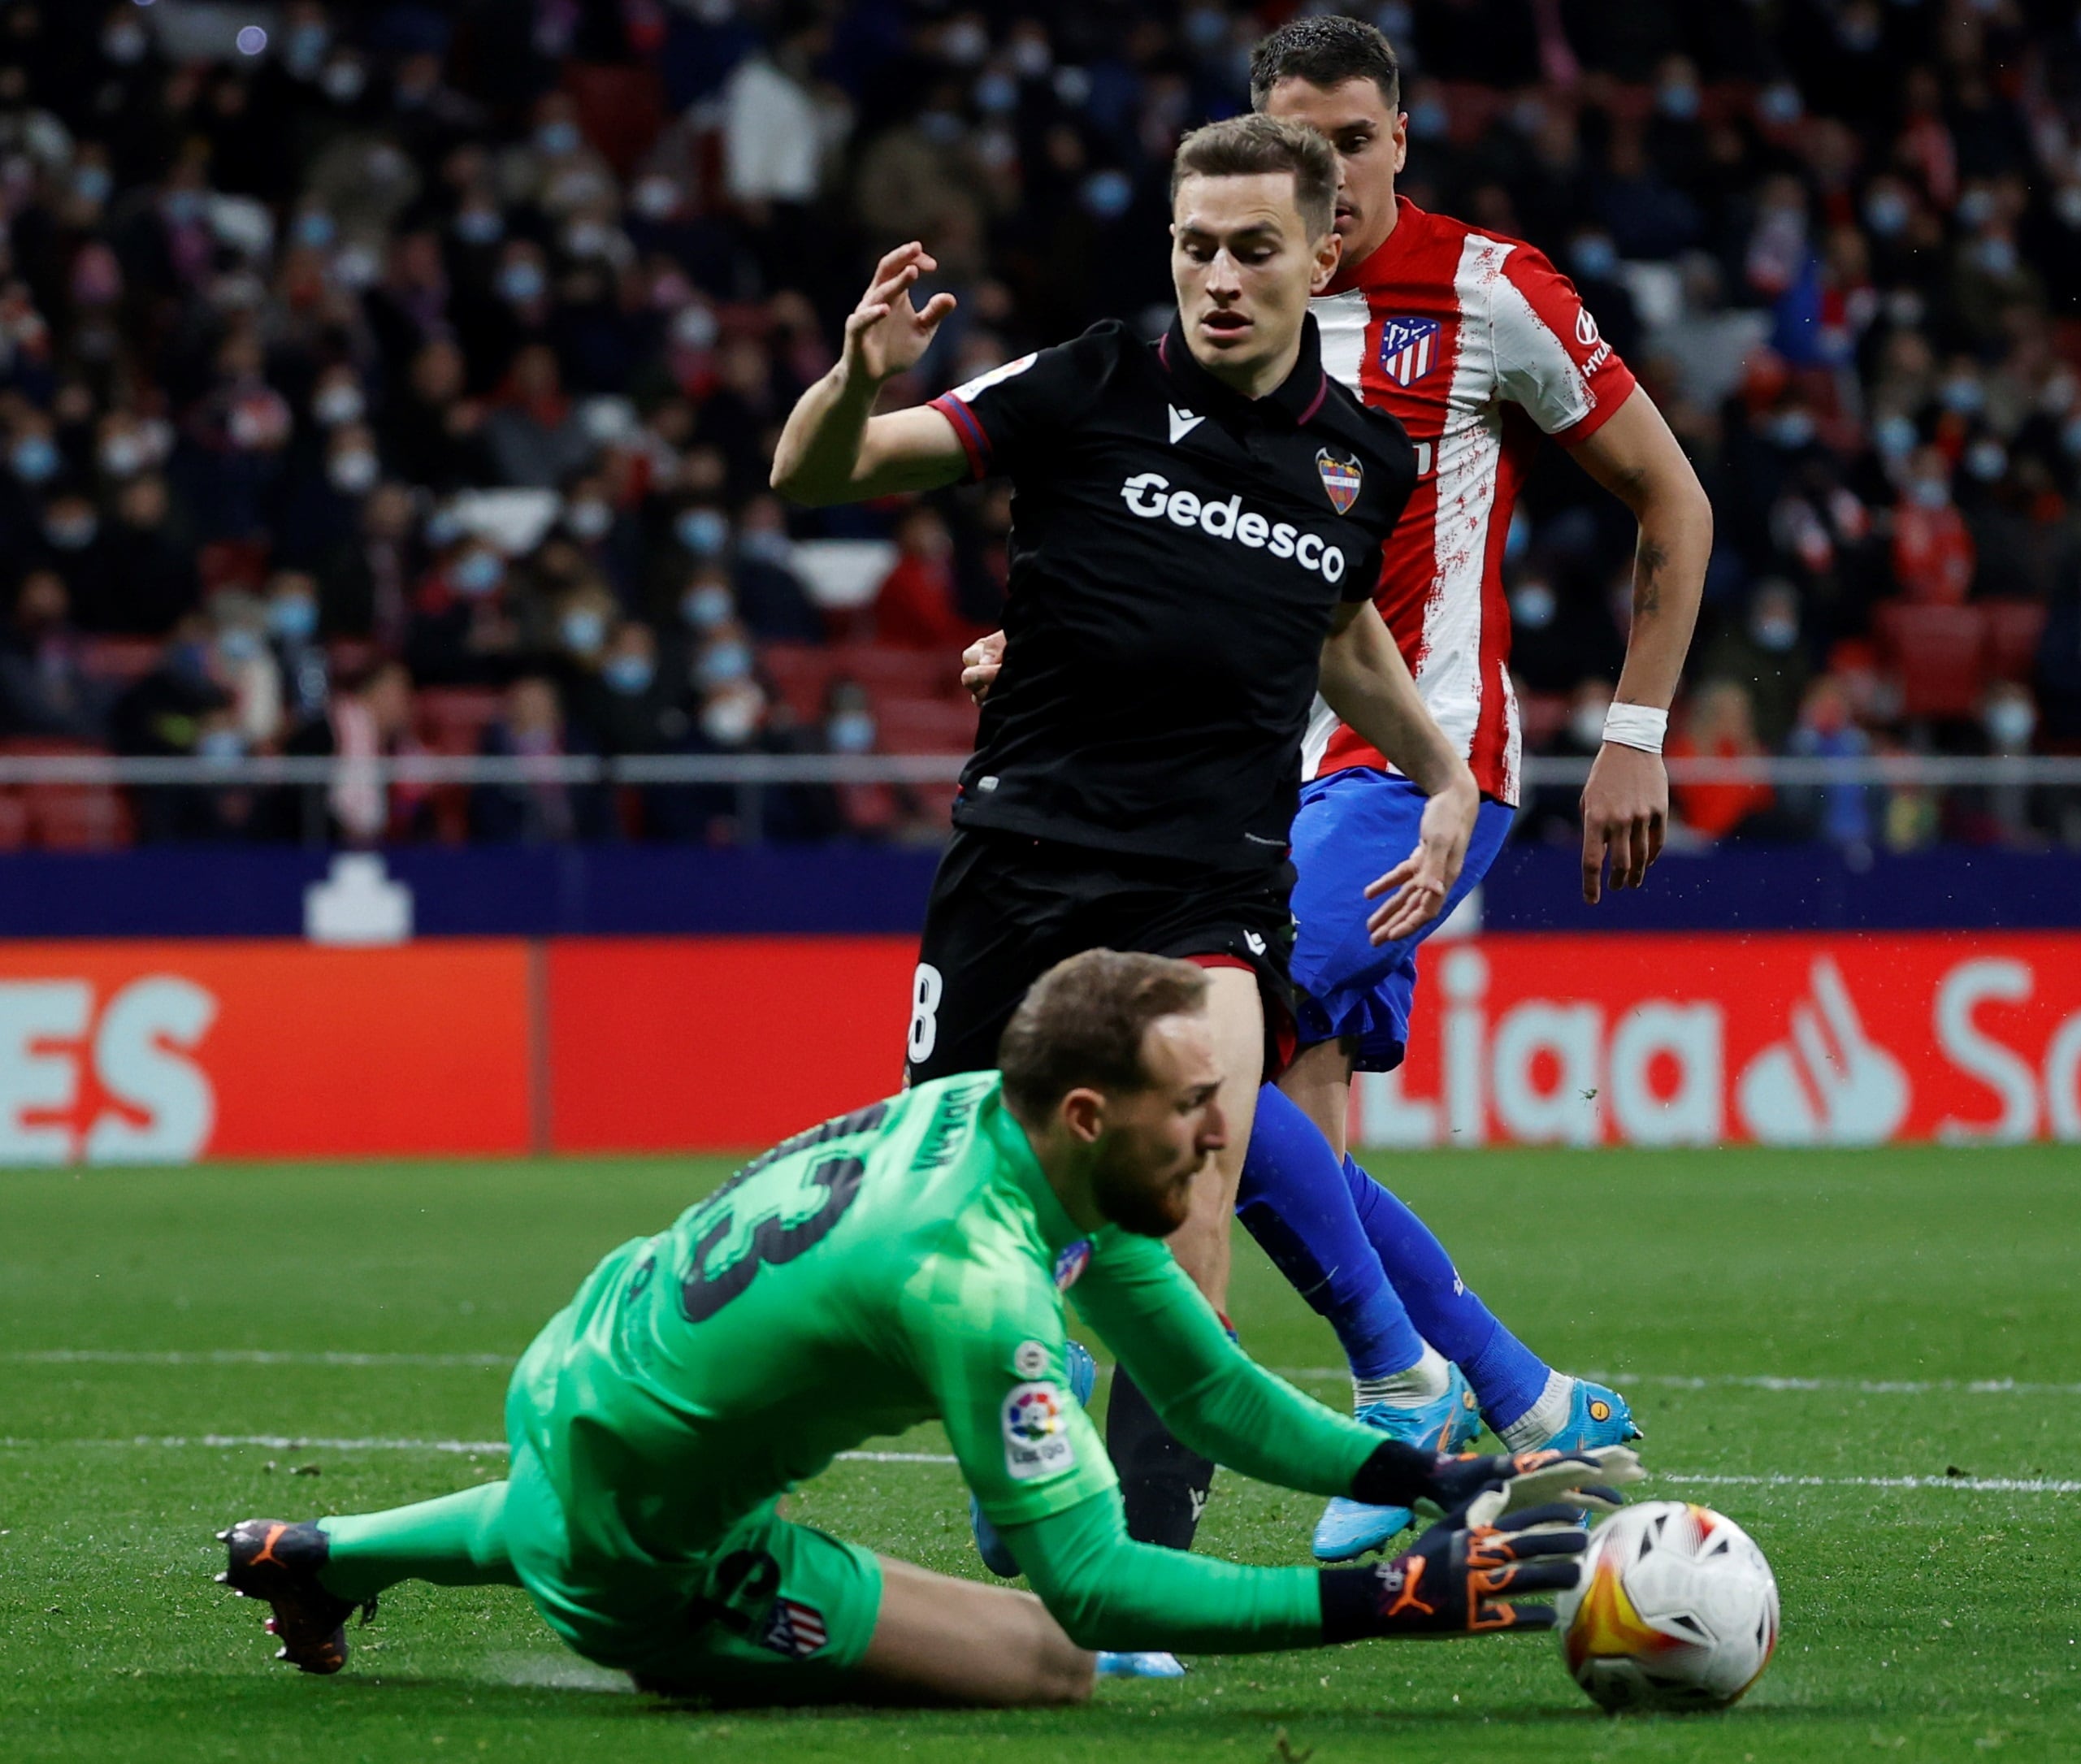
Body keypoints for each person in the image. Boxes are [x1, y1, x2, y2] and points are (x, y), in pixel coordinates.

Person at [968, 18, 1707, 1576]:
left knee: (1200, 1059)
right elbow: (1166, 541)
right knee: (1265, 1134)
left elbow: (1673, 497)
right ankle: (1515, 1405)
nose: (1334, 174)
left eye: (1357, 141)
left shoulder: (1493, 291)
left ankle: (1450, 1387)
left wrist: (1634, 729)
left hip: (1412, 757)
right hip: (1234, 773)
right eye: (1301, 142)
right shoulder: (1225, 318)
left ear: (1400, 141)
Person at [770, 114, 1481, 1629]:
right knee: (953, 1220)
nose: (1219, 277)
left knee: (1190, 1185)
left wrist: (1443, 770)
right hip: (1021, 857)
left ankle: (1143, 1587)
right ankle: (1021, 1466)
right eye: (1194, 246)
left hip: (1205, 886)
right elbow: (823, 476)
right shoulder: (1086, 382)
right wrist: (856, 378)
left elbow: (1340, 636)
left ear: (1322, 252)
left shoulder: (1364, 458)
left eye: (1253, 247)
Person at [215, 951, 1632, 1705]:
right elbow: (1093, 1589)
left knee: (612, 1476)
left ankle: (322, 1556)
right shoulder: (978, 1285)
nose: (1227, 1131)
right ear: (1091, 1115)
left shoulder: (990, 1129)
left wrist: (1417, 1482)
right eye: (1196, 1105)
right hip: (654, 1551)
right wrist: (1383, 1600)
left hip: (591, 1371)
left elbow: (1204, 1388)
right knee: (1049, 1666)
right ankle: (571, 1584)